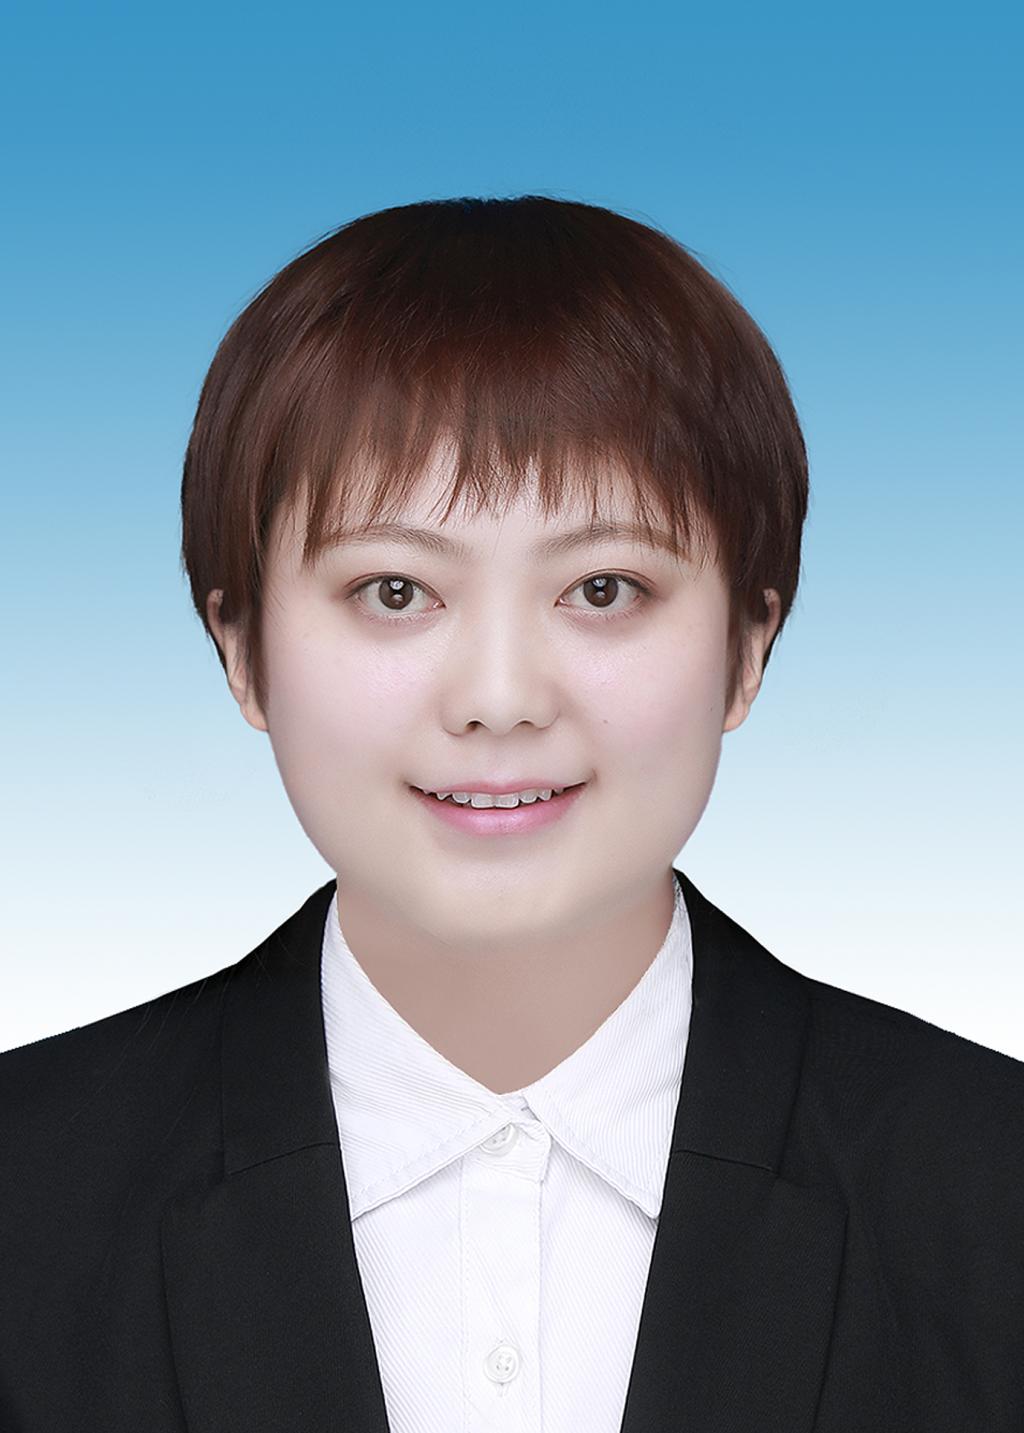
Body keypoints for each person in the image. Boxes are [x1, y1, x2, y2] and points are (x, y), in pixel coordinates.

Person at [1, 196, 1021, 1433]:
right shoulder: (26, 1189)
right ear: (241, 648)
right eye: (394, 590)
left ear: (749, 645)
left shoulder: (989, 1188)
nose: (498, 697)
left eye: (603, 587)